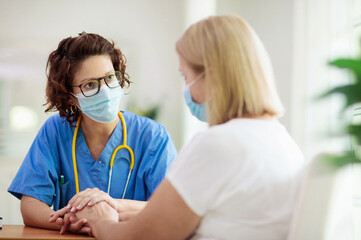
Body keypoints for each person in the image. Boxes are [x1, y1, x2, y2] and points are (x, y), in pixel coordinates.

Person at [57, 15, 305, 239]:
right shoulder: (283, 142)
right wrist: (114, 206)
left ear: (213, 76)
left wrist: (100, 220)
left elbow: (135, 237)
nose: (186, 90)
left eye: (186, 77)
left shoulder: (219, 144)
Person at [7, 32, 177, 234]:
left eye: (110, 77)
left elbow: (169, 208)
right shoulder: (55, 131)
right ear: (70, 96)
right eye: (90, 84)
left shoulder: (152, 137)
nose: (105, 90)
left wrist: (106, 206)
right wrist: (71, 222)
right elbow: (30, 206)